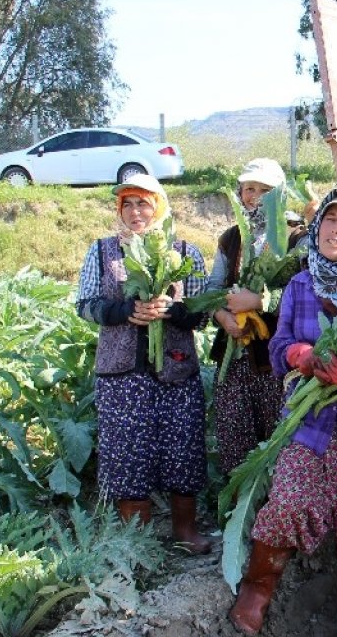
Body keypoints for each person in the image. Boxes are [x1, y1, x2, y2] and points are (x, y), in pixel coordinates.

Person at [229, 187, 337, 637]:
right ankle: (256, 591)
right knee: (289, 501)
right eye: (330, 220)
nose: (336, 230)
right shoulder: (301, 284)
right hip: (309, 424)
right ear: (317, 225)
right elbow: (279, 343)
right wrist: (302, 355)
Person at [75, 173, 212, 554]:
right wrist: (124, 311)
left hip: (176, 370)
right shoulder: (103, 251)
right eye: (128, 204)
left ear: (159, 206)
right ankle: (139, 541)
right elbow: (84, 304)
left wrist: (173, 311)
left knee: (183, 448)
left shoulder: (184, 252)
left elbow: (201, 313)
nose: (136, 212)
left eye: (144, 203)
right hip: (122, 375)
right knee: (127, 452)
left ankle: (185, 530)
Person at [207, 158, 305, 473]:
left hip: (274, 358)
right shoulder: (231, 237)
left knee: (276, 440)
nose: (255, 196)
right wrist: (222, 316)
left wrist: (261, 301)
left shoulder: (297, 237)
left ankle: (272, 515)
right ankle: (237, 510)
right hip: (233, 357)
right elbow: (213, 289)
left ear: (280, 194)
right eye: (249, 188)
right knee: (234, 436)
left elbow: (303, 292)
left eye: (265, 190)